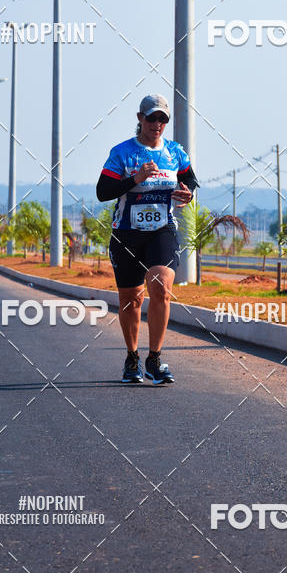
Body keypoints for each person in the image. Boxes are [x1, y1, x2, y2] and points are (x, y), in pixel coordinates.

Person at [96, 94, 198, 385]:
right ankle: (132, 358)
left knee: (161, 287)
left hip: (162, 231)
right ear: (140, 119)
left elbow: (189, 179)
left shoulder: (175, 152)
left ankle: (154, 359)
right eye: (152, 118)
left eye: (162, 119)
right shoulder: (122, 153)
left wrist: (188, 192)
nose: (157, 124)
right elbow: (103, 191)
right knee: (131, 300)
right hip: (126, 234)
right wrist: (135, 179)